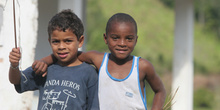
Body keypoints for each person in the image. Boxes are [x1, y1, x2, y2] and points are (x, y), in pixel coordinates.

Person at [33, 13, 166, 110]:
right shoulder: (99, 60)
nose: (122, 43)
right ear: (105, 38)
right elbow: (68, 53)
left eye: (129, 39)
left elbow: (160, 91)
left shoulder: (142, 66)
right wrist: (45, 61)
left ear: (136, 40)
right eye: (115, 38)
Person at [9, 9, 99, 110]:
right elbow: (16, 80)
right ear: (49, 41)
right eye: (56, 41)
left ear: (80, 41)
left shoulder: (89, 73)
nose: (61, 46)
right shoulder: (44, 68)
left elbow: (94, 106)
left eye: (68, 41)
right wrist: (14, 65)